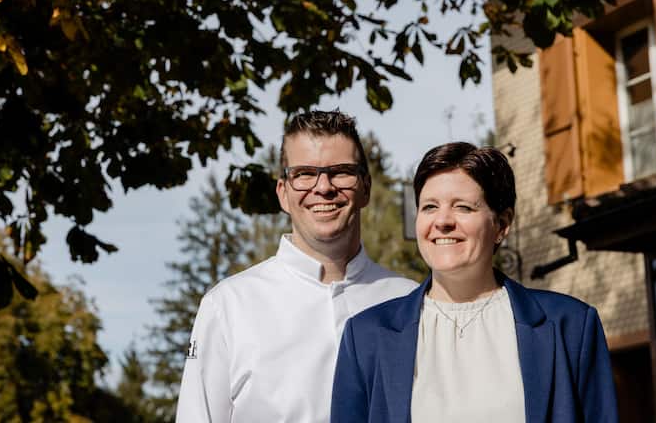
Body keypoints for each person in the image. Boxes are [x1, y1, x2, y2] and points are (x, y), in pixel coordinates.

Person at [331, 142, 619, 423]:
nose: (442, 221)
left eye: (463, 208)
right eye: (429, 207)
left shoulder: (571, 326)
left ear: (502, 225)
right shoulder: (365, 337)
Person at [176, 110, 417, 423]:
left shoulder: (410, 302)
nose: (323, 187)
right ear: (283, 193)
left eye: (341, 171)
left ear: (366, 188)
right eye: (304, 173)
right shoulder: (228, 306)